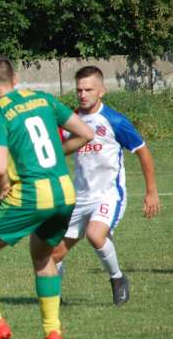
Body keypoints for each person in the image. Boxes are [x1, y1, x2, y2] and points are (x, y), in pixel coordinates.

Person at [0, 55, 94, 339]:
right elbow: (86, 133)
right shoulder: (43, 99)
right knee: (42, 256)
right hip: (64, 192)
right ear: (16, 79)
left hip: (32, 194)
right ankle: (53, 333)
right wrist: (57, 158)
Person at [51, 66, 161, 305]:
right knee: (54, 253)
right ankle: (54, 301)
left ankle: (117, 278)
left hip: (108, 195)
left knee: (95, 234)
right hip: (79, 197)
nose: (83, 94)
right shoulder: (70, 121)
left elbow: (142, 151)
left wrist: (151, 191)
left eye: (88, 89)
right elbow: (53, 153)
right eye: (79, 90)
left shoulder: (114, 120)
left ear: (102, 91)